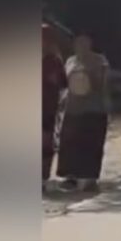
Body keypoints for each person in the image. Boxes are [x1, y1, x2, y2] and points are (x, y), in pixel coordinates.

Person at [56, 34, 110, 192]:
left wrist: (88, 71)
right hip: (73, 109)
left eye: (84, 42)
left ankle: (90, 178)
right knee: (70, 143)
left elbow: (102, 83)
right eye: (78, 42)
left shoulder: (99, 61)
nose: (81, 45)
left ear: (90, 43)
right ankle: (70, 177)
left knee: (92, 144)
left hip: (94, 108)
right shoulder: (70, 61)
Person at [42, 24, 67, 190]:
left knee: (45, 144)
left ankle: (42, 178)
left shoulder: (54, 61)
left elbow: (64, 85)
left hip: (47, 109)